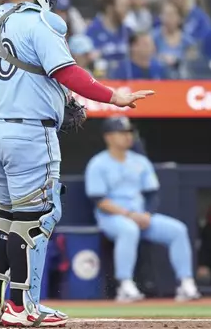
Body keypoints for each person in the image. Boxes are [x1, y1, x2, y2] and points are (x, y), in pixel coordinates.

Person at [0, 0, 154, 327]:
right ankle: (21, 306)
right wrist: (112, 96)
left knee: (5, 213)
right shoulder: (41, 22)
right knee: (35, 219)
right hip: (28, 133)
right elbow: (67, 71)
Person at [84, 115, 201, 303]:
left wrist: (146, 214)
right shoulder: (98, 163)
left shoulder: (140, 161)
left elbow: (152, 194)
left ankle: (186, 283)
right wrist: (130, 215)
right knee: (128, 230)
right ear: (109, 137)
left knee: (178, 230)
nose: (128, 136)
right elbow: (99, 200)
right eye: (122, 132)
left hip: (141, 216)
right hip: (112, 218)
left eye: (129, 132)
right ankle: (125, 285)